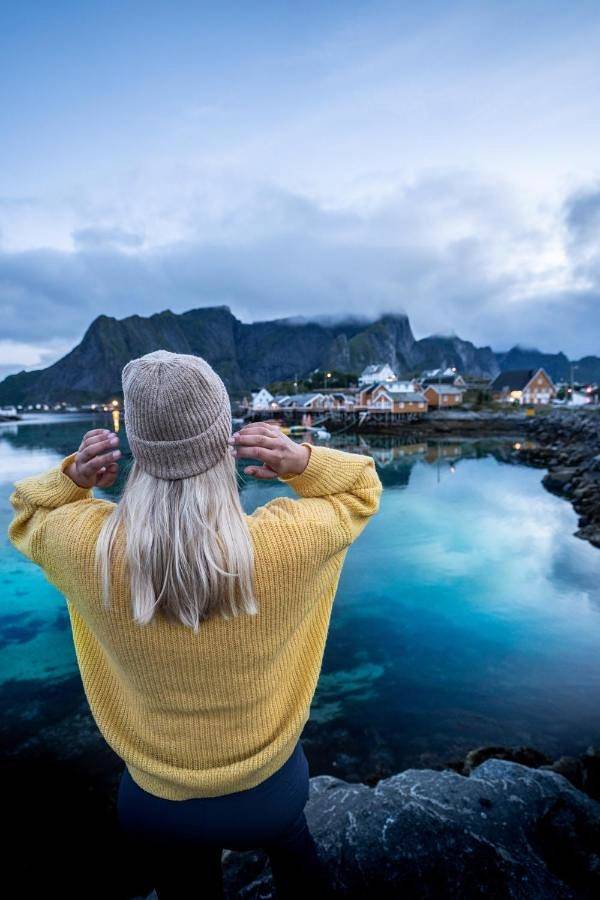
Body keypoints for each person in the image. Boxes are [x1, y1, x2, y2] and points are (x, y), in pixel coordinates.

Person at [8, 349, 383, 899]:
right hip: (267, 790)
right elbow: (361, 487)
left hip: (155, 801)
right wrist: (302, 461)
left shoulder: (87, 547)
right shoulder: (287, 542)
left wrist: (73, 478)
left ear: (136, 446)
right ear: (224, 439)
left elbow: (26, 510)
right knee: (298, 860)